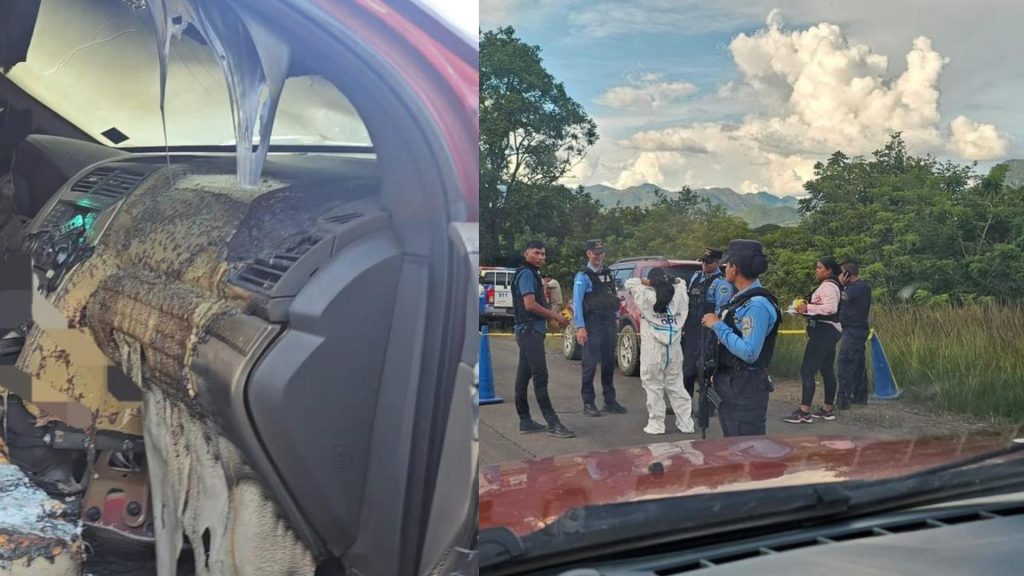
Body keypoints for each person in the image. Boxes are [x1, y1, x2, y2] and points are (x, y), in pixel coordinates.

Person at [700, 239, 781, 437]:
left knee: (746, 449)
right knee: (733, 443)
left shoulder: (756, 305)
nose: (724, 268)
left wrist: (717, 324)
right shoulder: (741, 299)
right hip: (733, 383)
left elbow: (749, 352)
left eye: (727, 265)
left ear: (734, 268)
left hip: (745, 386)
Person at [511, 240, 575, 438]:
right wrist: (554, 316)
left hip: (527, 331)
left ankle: (525, 420)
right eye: (537, 253)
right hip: (529, 332)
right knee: (540, 377)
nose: (541, 257)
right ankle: (552, 423)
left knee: (523, 376)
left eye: (543, 254)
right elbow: (529, 305)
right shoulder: (527, 274)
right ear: (526, 253)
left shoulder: (527, 273)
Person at [624, 268, 694, 435]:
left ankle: (656, 425)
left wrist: (649, 282)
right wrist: (670, 280)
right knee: (676, 385)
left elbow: (629, 283)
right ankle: (686, 424)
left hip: (653, 348)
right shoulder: (680, 293)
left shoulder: (645, 294)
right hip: (674, 347)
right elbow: (681, 281)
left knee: (653, 385)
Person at [573, 239, 628, 417]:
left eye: (601, 253)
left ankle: (609, 401)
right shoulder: (583, 276)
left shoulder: (609, 274)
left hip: (608, 323)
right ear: (588, 254)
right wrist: (580, 327)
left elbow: (613, 296)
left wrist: (617, 317)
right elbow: (577, 303)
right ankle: (588, 403)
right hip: (592, 324)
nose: (599, 256)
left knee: (609, 364)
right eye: (595, 253)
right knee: (589, 365)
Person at [785, 257, 843, 424]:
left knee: (807, 370)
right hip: (828, 331)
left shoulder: (829, 286)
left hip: (823, 332)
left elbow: (831, 308)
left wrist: (807, 307)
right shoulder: (831, 285)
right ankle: (827, 409)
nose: (816, 271)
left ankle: (804, 411)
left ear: (829, 270)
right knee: (826, 369)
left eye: (819, 268)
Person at [683, 248, 733, 399]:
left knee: (706, 369)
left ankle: (709, 406)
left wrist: (714, 331)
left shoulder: (722, 284)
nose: (704, 264)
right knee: (687, 368)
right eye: (703, 261)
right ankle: (684, 404)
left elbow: (721, 310)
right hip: (692, 329)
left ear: (718, 263)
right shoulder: (696, 276)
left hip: (708, 332)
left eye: (708, 262)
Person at [836, 261, 872, 409]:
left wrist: (839, 284)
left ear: (847, 274)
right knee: (857, 364)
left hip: (854, 330)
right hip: (853, 329)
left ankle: (844, 400)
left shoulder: (858, 287)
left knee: (846, 363)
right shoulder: (855, 288)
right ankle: (859, 396)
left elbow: (843, 297)